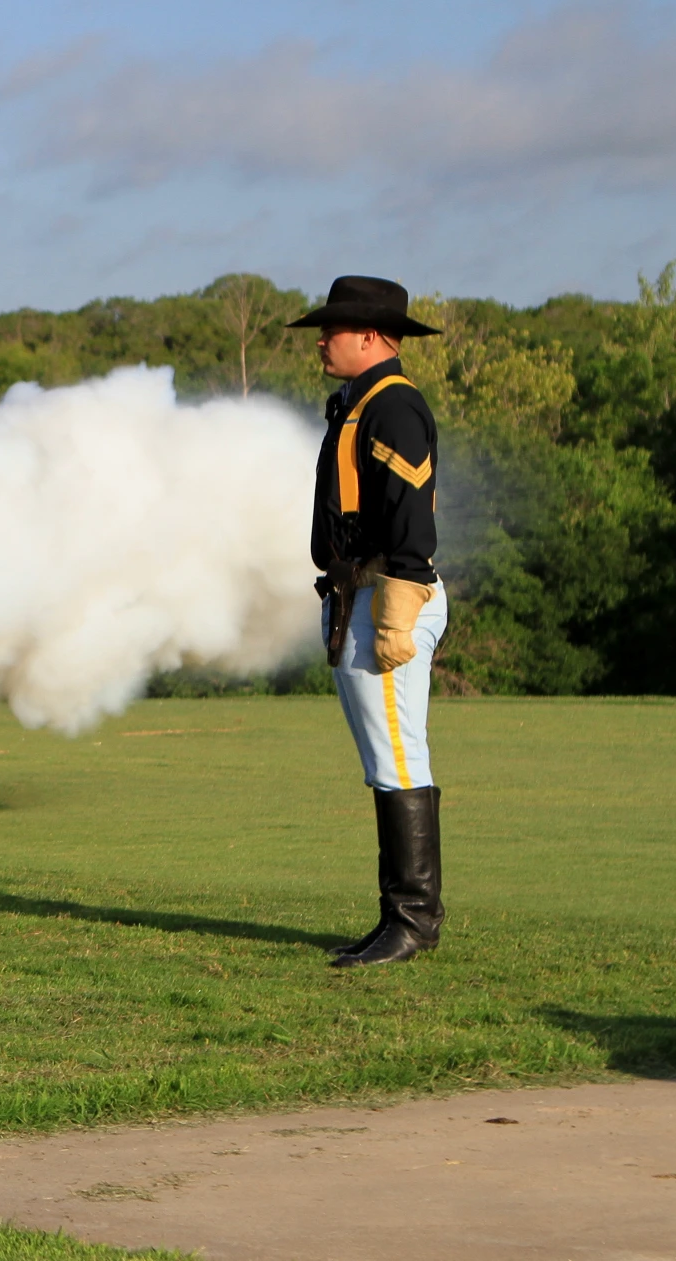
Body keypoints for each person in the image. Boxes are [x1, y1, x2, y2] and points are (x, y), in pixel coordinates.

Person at [290, 276, 448, 968]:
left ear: (374, 337)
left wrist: (400, 603)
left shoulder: (394, 405)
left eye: (335, 328)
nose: (322, 339)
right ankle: (400, 917)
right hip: (362, 594)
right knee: (384, 756)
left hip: (387, 594)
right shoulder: (362, 401)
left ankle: (412, 919)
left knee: (397, 755)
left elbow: (411, 511)